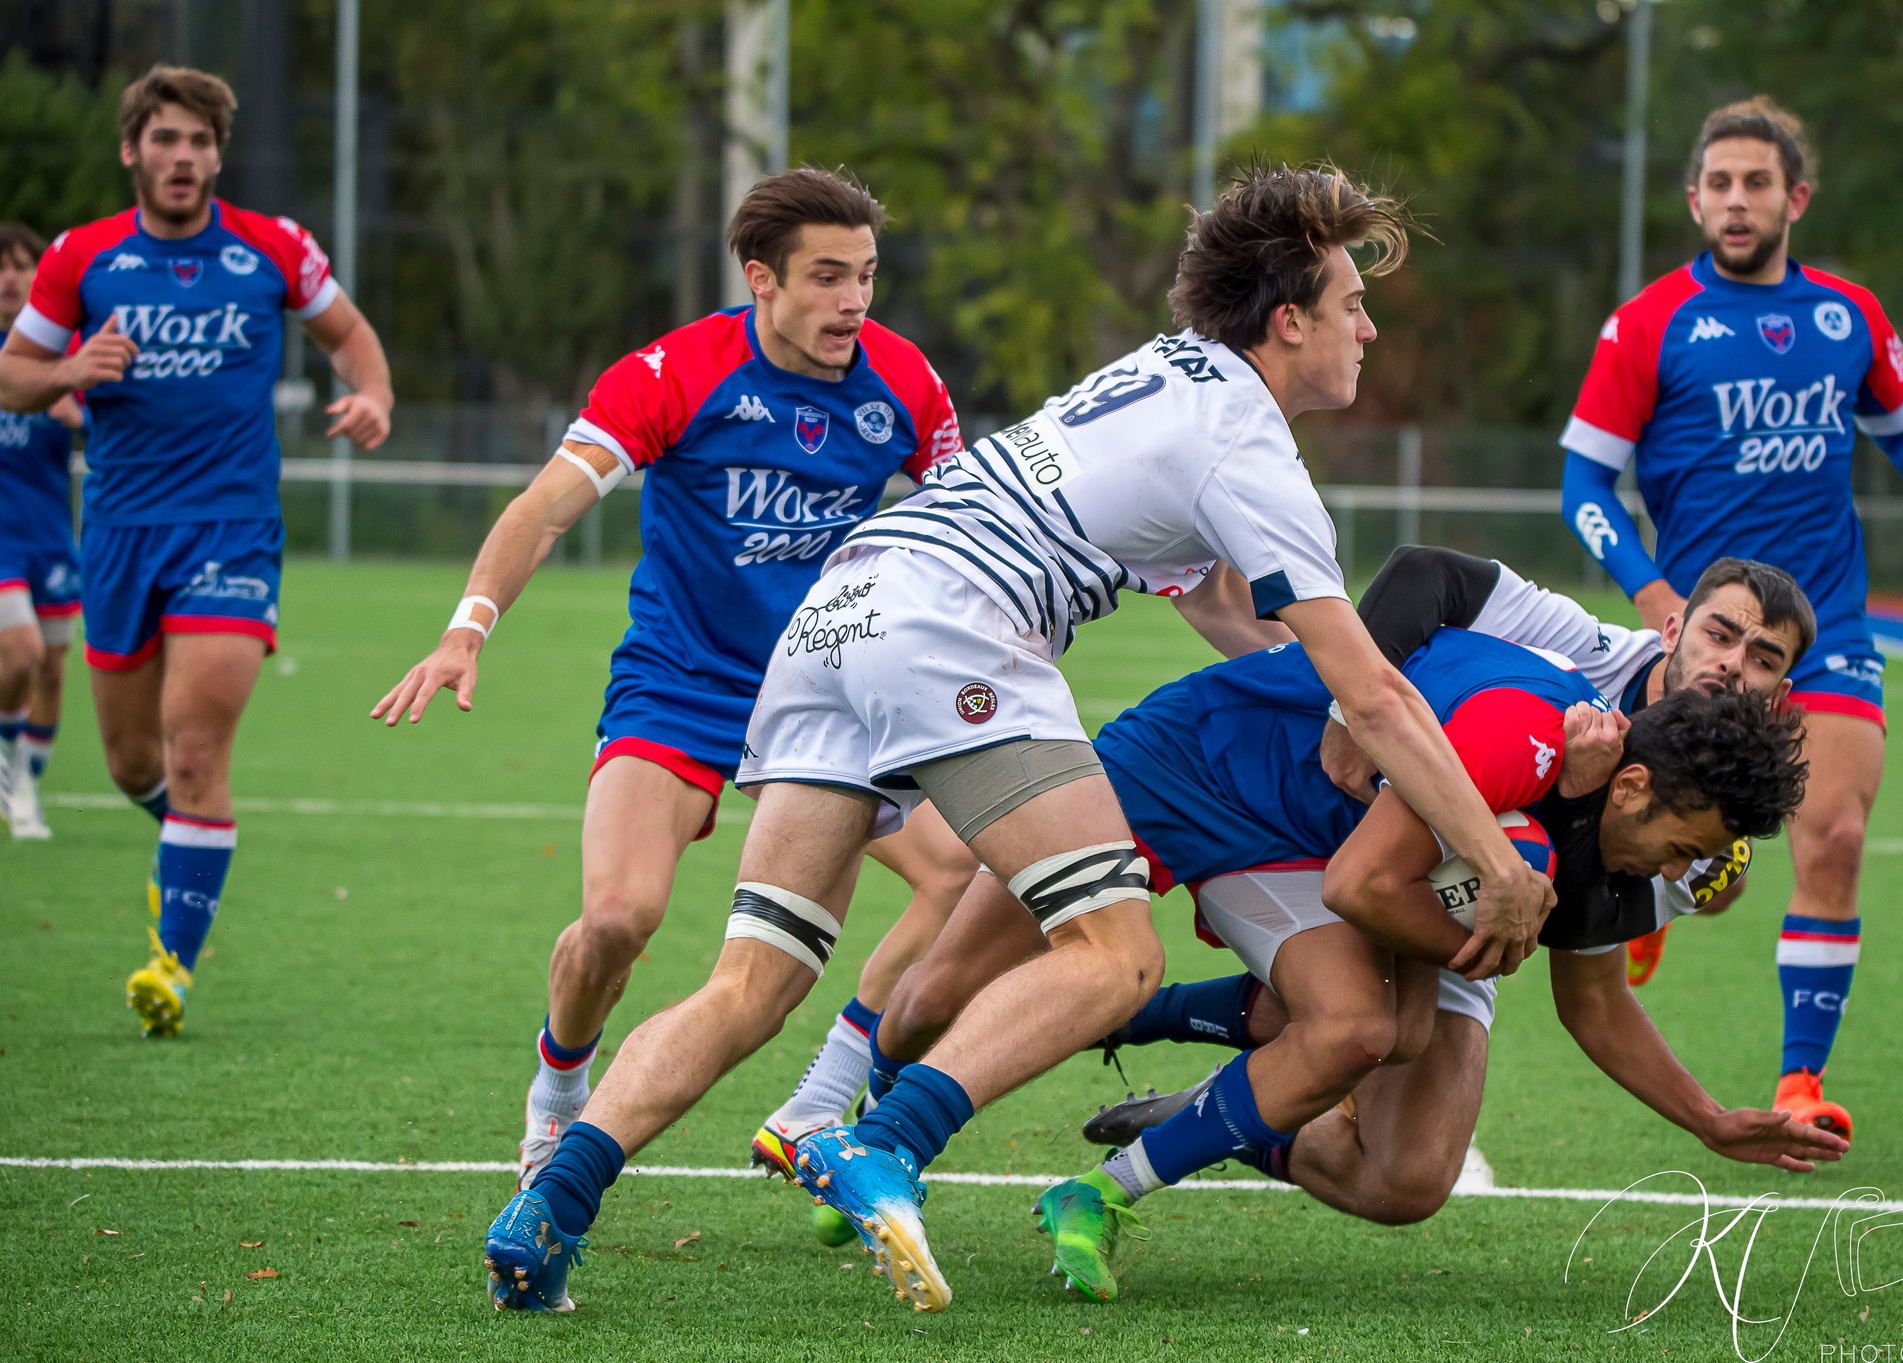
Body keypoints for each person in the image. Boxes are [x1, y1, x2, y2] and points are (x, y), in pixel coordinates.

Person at [485, 166, 1557, 1317]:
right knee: (1115, 955)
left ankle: (550, 1204)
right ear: (1288, 321)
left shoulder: (1163, 368)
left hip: (838, 608)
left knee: (751, 981)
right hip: (952, 624)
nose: (1369, 325)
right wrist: (1494, 865)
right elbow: (1376, 700)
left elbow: (1224, 612)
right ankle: (883, 1141)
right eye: (1351, 302)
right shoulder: (1246, 445)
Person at [859, 562, 1822, 1299]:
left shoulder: (1685, 780)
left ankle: (1129, 1160)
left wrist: (1706, 1119)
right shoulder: (1546, 716)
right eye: (1723, 635)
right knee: (934, 999)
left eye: (1765, 658)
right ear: (1673, 626)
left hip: (1321, 842)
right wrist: (1486, 903)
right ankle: (867, 1120)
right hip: (1205, 764)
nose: (1733, 665)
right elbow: (1426, 583)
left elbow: (1591, 989)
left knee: (1387, 1093)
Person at [372, 167, 975, 1191]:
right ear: (760, 281)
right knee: (616, 921)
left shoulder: (903, 382)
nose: (853, 303)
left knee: (961, 874)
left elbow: (969, 527)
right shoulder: (675, 372)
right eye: (827, 278)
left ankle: (819, 1099)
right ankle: (559, 1089)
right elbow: (546, 505)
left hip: (829, 698)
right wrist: (466, 629)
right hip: (683, 683)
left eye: (866, 277)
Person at [1558, 96, 1903, 1140]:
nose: (1733, 199)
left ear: (1792, 197)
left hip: (1827, 626)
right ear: (1691, 198)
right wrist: (1650, 592)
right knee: (1684, 857)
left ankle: (1798, 1080)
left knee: (1836, 831)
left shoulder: (1848, 315)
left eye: (1754, 182)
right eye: (1716, 182)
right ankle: (1647, 900)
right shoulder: (1648, 322)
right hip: (1699, 636)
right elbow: (1581, 476)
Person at [0, 66, 392, 1036]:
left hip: (230, 530)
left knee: (195, 744)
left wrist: (372, 393)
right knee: (135, 762)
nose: (184, 158)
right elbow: (12, 376)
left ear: (219, 154)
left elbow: (349, 335)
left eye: (200, 142)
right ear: (133, 150)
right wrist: (69, 368)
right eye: (166, 140)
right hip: (122, 534)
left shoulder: (272, 248)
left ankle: (170, 966)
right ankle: (190, 844)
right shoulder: (81, 258)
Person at [0, 223, 84, 840]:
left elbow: (112, 427)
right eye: (2, 267)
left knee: (52, 670)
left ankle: (23, 777)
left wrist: (75, 410)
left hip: (51, 534)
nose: (11, 279)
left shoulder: (65, 352)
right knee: (21, 650)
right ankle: (14, 782)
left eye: (23, 267)